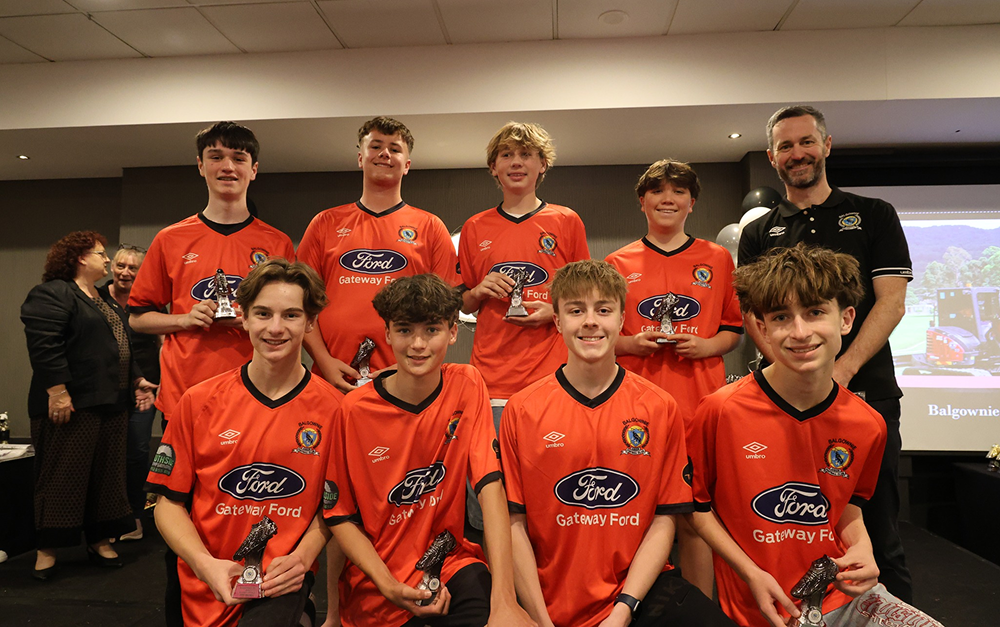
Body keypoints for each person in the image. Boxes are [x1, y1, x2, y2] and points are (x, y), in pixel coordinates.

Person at [687, 244, 943, 627]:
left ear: (846, 319)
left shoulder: (868, 424)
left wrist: (862, 546)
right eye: (781, 317)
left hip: (841, 597)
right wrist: (750, 574)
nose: (800, 332)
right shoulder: (719, 411)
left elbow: (846, 506)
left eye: (815, 312)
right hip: (759, 607)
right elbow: (696, 508)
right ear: (762, 327)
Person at [738, 106, 913, 602]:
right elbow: (756, 317)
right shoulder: (758, 234)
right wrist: (792, 375)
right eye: (786, 146)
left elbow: (892, 302)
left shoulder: (875, 213)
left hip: (866, 397)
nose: (798, 154)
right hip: (784, 408)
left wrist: (841, 370)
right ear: (773, 158)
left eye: (806, 142)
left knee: (878, 533)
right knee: (791, 524)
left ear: (827, 145)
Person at [500, 260, 734, 627]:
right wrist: (541, 622)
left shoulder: (659, 407)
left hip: (638, 593)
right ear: (558, 321)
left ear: (622, 318)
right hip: (546, 598)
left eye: (603, 310)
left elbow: (664, 519)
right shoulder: (522, 409)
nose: (590, 321)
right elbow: (513, 524)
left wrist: (623, 610)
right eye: (576, 310)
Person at [128, 120, 295, 625]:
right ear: (200, 165)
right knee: (182, 520)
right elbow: (138, 315)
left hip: (261, 401)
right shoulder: (171, 239)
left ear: (254, 170)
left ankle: (274, 606)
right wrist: (184, 317)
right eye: (218, 157)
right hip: (186, 404)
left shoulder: (276, 242)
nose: (228, 167)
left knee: (260, 507)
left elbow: (295, 316)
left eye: (239, 158)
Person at [323, 274, 533, 627]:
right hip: (379, 582)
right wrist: (388, 585)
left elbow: (490, 487)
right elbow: (340, 517)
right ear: (387, 334)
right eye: (405, 330)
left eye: (431, 330)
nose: (418, 344)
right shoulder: (353, 410)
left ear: (453, 332)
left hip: (451, 562)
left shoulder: (467, 385)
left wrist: (505, 600)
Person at [146, 258, 342, 627]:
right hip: (203, 579)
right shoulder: (198, 401)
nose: (275, 328)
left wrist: (304, 556)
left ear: (311, 322)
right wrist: (206, 566)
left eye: (291, 316)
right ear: (244, 317)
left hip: (279, 580)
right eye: (263, 313)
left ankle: (302, 609)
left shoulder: (335, 411)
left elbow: (335, 508)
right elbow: (166, 505)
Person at [605, 159, 742, 597]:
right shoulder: (617, 261)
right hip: (635, 410)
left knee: (695, 519)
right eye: (658, 191)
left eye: (678, 192)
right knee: (634, 515)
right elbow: (601, 338)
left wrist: (706, 346)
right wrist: (631, 343)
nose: (668, 198)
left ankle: (699, 611)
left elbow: (733, 330)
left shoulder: (717, 258)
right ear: (642, 201)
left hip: (700, 405)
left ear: (691, 203)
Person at [21, 231, 156, 580]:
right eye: (101, 254)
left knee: (107, 478)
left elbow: (119, 345)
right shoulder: (53, 293)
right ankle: (47, 549)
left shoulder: (102, 299)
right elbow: (44, 345)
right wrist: (58, 391)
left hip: (111, 403)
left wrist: (137, 379)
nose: (107, 260)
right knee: (63, 476)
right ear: (80, 257)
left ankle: (99, 540)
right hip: (71, 404)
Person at [297, 116, 460, 394]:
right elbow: (299, 304)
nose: (385, 154)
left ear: (407, 165)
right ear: (361, 158)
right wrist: (324, 361)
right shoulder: (324, 223)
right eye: (376, 146)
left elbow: (446, 310)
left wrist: (411, 364)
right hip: (330, 378)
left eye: (395, 149)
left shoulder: (430, 227)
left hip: (408, 382)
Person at [459, 121, 590, 417]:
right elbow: (463, 301)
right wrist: (479, 290)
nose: (516, 162)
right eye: (506, 155)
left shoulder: (566, 221)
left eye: (526, 154)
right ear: (493, 167)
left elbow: (586, 299)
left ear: (542, 164)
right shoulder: (474, 227)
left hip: (556, 371)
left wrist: (553, 311)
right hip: (492, 376)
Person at [99, 244, 161, 542]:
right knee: (109, 453)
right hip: (107, 388)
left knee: (137, 451)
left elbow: (164, 344)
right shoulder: (95, 298)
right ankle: (106, 519)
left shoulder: (150, 303)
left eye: (133, 268)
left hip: (145, 390)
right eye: (121, 265)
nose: (125, 272)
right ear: (112, 267)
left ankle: (134, 516)